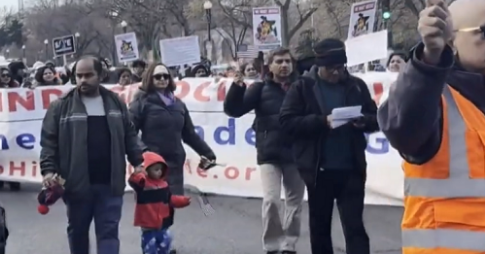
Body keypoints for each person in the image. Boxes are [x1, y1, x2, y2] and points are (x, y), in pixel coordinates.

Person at [378, 0, 485, 253]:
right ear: (451, 40)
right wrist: (429, 59)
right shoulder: (432, 96)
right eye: (483, 32)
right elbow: (403, 129)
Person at [278, 39, 379, 254]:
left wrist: (365, 122)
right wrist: (323, 121)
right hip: (319, 170)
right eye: (331, 68)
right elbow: (287, 122)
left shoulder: (356, 85)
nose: (336, 72)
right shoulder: (303, 86)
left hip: (351, 167)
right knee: (320, 228)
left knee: (355, 227)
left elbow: (376, 117)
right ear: (319, 66)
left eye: (340, 67)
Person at [40, 56, 145, 254]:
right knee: (78, 232)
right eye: (79, 76)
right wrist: (48, 171)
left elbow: (129, 135)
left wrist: (138, 162)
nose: (82, 80)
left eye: (88, 75)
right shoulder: (60, 106)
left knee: (108, 233)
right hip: (76, 184)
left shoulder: (116, 103)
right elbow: (48, 142)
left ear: (101, 76)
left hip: (110, 183)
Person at [129, 62, 216, 253]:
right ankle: (152, 247)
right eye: (157, 76)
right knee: (151, 210)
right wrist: (144, 153)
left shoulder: (178, 104)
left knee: (168, 207)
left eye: (165, 76)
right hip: (152, 166)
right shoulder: (141, 101)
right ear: (149, 79)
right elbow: (130, 131)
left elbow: (190, 134)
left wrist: (207, 153)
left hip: (174, 163)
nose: (162, 80)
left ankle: (163, 244)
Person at [224, 48, 304, 254]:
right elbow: (234, 110)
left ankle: (289, 245)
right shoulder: (260, 89)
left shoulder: (302, 87)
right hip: (270, 153)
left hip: (297, 152)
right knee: (271, 201)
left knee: (295, 203)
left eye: (287, 61)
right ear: (270, 66)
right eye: (279, 61)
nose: (284, 65)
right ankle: (272, 245)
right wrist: (238, 86)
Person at [128, 151, 191, 254]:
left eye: (161, 169)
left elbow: (169, 199)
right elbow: (134, 182)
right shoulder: (143, 185)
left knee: (166, 242)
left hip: (163, 223)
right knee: (150, 248)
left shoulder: (164, 185)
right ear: (147, 170)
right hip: (148, 225)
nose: (159, 172)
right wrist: (139, 174)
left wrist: (182, 201)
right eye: (156, 169)